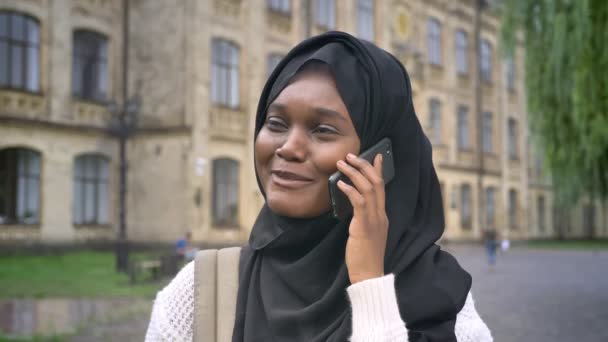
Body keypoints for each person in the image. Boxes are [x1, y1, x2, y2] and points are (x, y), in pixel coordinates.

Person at [146, 31, 492, 341]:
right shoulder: (200, 295)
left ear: (380, 156)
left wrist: (371, 287)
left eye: (323, 130)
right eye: (276, 123)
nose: (288, 147)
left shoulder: (445, 307)